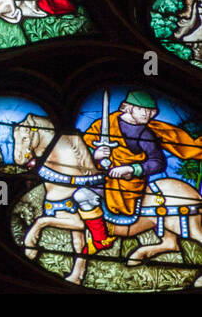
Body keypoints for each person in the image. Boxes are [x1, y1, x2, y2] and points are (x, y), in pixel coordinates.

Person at [76, 90, 202, 250]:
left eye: (150, 111)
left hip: (129, 185)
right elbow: (80, 152)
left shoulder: (145, 134)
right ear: (127, 107)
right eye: (142, 109)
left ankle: (100, 239)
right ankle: (100, 238)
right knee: (79, 194)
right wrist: (95, 154)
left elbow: (158, 162)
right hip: (103, 178)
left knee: (83, 195)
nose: (147, 114)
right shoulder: (103, 125)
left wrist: (132, 168)